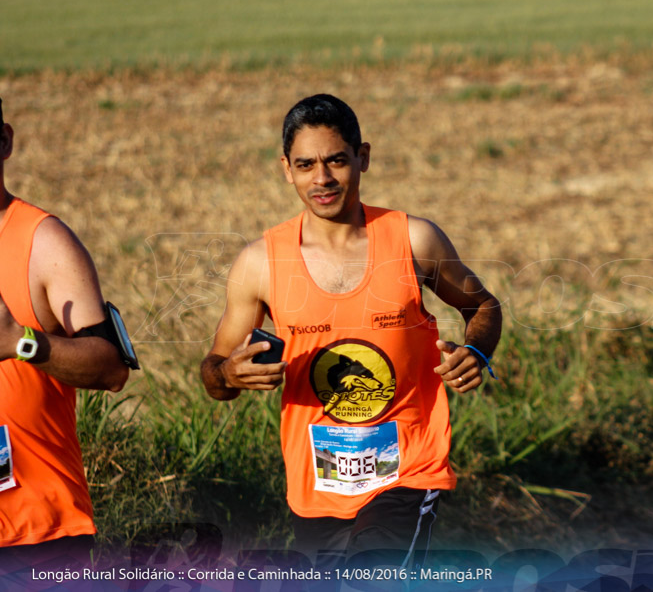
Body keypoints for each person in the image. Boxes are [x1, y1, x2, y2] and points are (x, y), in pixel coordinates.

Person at [200, 94, 502, 567]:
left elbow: (483, 304)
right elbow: (213, 373)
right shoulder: (260, 263)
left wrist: (478, 351)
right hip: (316, 485)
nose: (321, 179)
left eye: (336, 161)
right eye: (305, 165)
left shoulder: (413, 239)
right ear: (286, 169)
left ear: (362, 157)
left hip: (409, 466)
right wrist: (230, 376)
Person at [0, 97, 132, 568]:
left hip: (36, 534)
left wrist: (21, 342)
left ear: (5, 141)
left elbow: (112, 367)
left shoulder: (44, 242)